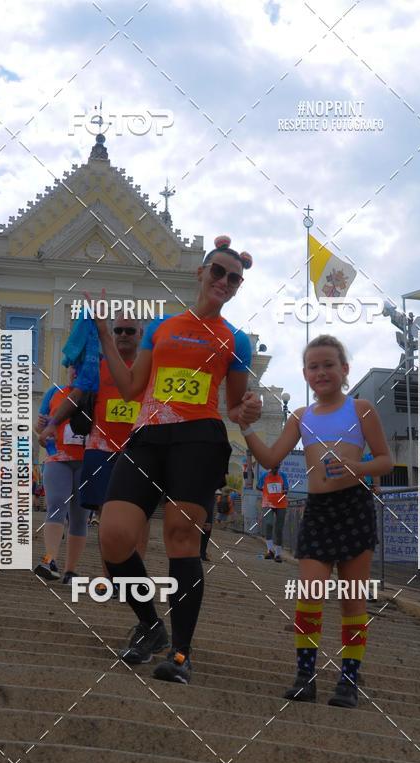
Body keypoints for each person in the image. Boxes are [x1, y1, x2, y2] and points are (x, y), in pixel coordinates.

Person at [94, 235, 261, 683]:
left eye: (234, 278)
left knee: (181, 539)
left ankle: (181, 656)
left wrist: (250, 409)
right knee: (113, 538)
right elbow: (131, 388)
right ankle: (151, 625)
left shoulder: (235, 340)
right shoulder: (162, 327)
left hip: (199, 439)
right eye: (219, 272)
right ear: (201, 273)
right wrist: (106, 336)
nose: (225, 281)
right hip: (148, 437)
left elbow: (235, 405)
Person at [239, 335, 392, 708]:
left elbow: (385, 460)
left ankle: (348, 682)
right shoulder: (301, 417)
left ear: (344, 370)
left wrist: (359, 467)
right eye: (313, 366)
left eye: (328, 365)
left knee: (353, 600)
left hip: (355, 507)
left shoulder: (362, 409)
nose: (321, 372)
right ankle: (305, 677)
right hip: (318, 509)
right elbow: (271, 456)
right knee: (309, 593)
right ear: (305, 373)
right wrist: (245, 427)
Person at [40, 313, 149, 562]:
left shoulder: (148, 366)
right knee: (107, 516)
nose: (123, 335)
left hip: (139, 449)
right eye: (118, 330)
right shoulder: (98, 367)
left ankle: (136, 574)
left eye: (129, 331)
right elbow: (76, 395)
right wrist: (52, 424)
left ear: (140, 334)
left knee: (140, 514)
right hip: (101, 449)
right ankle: (110, 576)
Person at [34, 368, 89, 583]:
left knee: (79, 516)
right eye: (72, 367)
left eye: (81, 366)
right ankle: (50, 560)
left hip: (87, 460)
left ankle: (71, 570)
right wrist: (40, 428)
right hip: (58, 458)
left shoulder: (96, 393)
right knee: (56, 504)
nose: (75, 371)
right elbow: (41, 427)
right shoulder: (54, 392)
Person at [257, 465, 289, 562]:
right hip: (268, 503)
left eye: (277, 468)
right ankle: (270, 550)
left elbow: (286, 489)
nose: (275, 470)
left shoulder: (283, 475)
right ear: (270, 468)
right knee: (269, 523)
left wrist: (283, 491)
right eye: (274, 468)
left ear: (279, 467)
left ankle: (278, 554)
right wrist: (266, 491)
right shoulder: (264, 475)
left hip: (281, 504)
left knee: (279, 528)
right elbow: (258, 487)